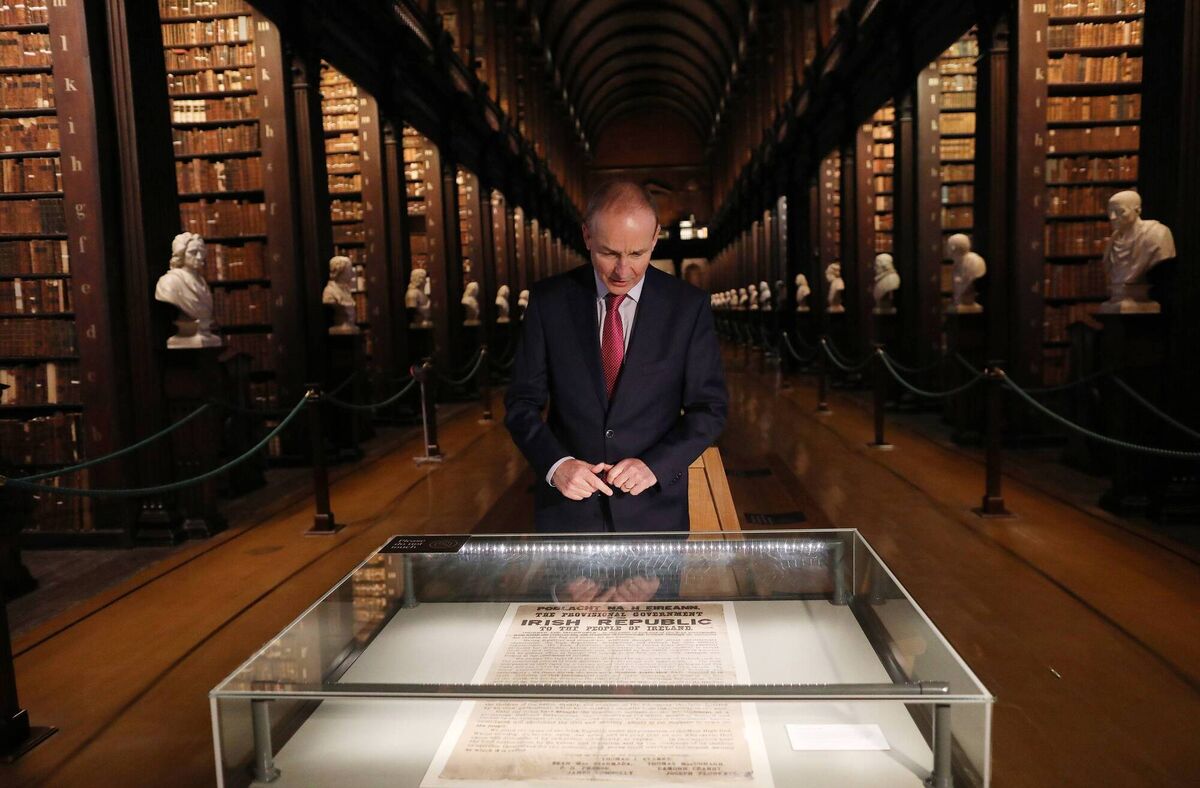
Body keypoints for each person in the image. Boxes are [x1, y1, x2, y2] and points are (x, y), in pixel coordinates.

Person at [504, 181, 727, 533]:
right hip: (568, 513)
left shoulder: (688, 307)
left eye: (638, 254)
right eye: (609, 253)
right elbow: (521, 403)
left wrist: (654, 466)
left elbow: (709, 408)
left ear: (655, 238)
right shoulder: (549, 302)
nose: (623, 271)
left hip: (655, 514)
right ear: (587, 236)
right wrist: (556, 465)